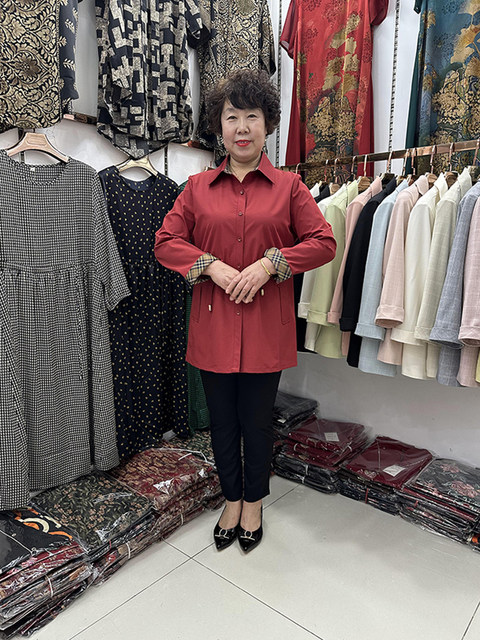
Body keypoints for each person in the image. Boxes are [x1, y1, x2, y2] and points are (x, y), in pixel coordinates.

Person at [154, 69, 336, 553]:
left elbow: (323, 242)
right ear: (219, 126)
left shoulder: (290, 188)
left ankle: (253, 501)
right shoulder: (196, 188)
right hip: (212, 326)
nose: (241, 128)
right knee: (222, 422)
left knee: (256, 422)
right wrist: (209, 266)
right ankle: (230, 499)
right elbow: (166, 242)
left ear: (267, 124)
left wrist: (272, 264)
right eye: (231, 117)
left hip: (264, 327)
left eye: (251, 116)